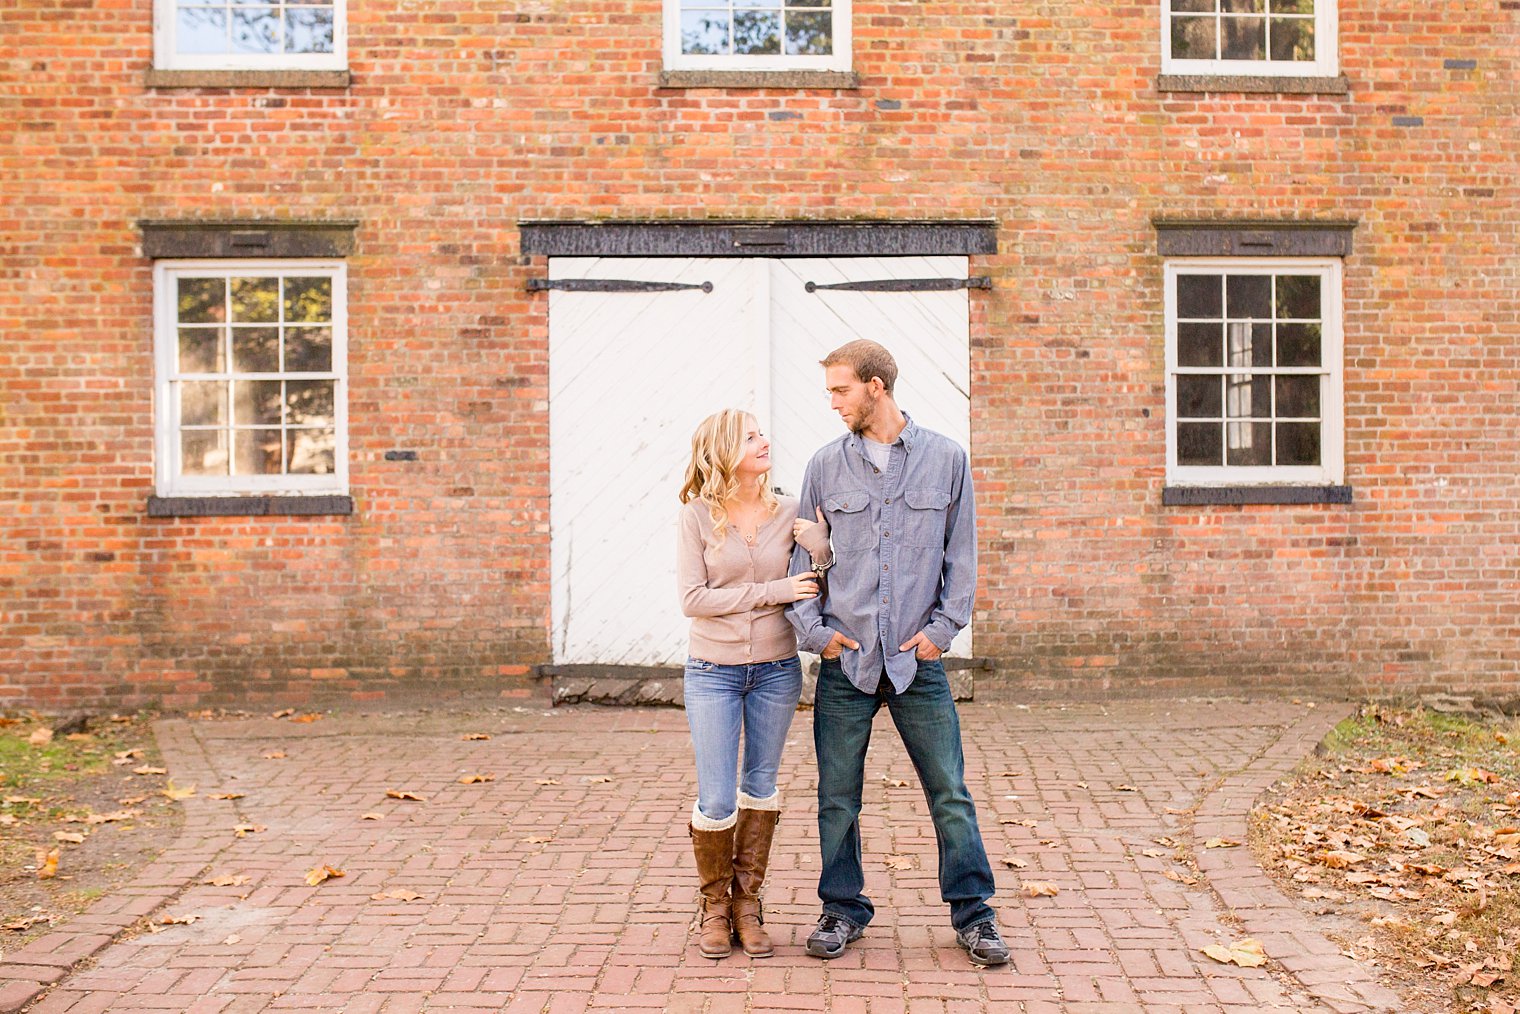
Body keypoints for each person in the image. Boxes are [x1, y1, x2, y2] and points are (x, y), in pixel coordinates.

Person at [785, 339, 1010, 967]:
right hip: (846, 661)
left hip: (917, 663)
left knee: (950, 792)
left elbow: (960, 559)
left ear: (876, 387)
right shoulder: (825, 467)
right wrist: (814, 632)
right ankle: (842, 909)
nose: (832, 402)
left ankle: (975, 914)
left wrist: (943, 631)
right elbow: (804, 562)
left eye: (841, 390)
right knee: (837, 794)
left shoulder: (946, 460)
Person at [676, 409, 832, 959]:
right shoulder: (696, 516)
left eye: (762, 431)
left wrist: (819, 544)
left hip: (775, 670)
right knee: (717, 798)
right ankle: (714, 907)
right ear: (723, 451)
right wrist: (773, 591)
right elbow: (693, 601)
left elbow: (818, 579)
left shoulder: (788, 511)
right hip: (713, 673)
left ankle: (747, 904)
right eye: (750, 436)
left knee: (761, 786)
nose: (764, 440)